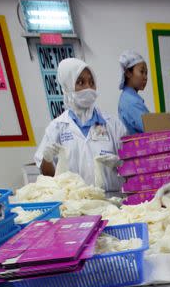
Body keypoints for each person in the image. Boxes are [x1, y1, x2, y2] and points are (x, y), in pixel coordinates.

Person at [35, 58, 124, 190]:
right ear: (67, 86)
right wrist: (47, 159)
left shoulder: (113, 124)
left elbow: (134, 165)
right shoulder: (57, 127)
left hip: (111, 202)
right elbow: (48, 176)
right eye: (81, 82)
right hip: (74, 204)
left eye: (91, 82)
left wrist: (120, 163)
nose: (88, 88)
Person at [118, 50, 150, 134]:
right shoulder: (131, 101)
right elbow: (152, 129)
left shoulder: (127, 98)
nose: (145, 77)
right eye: (142, 72)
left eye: (146, 73)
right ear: (128, 73)